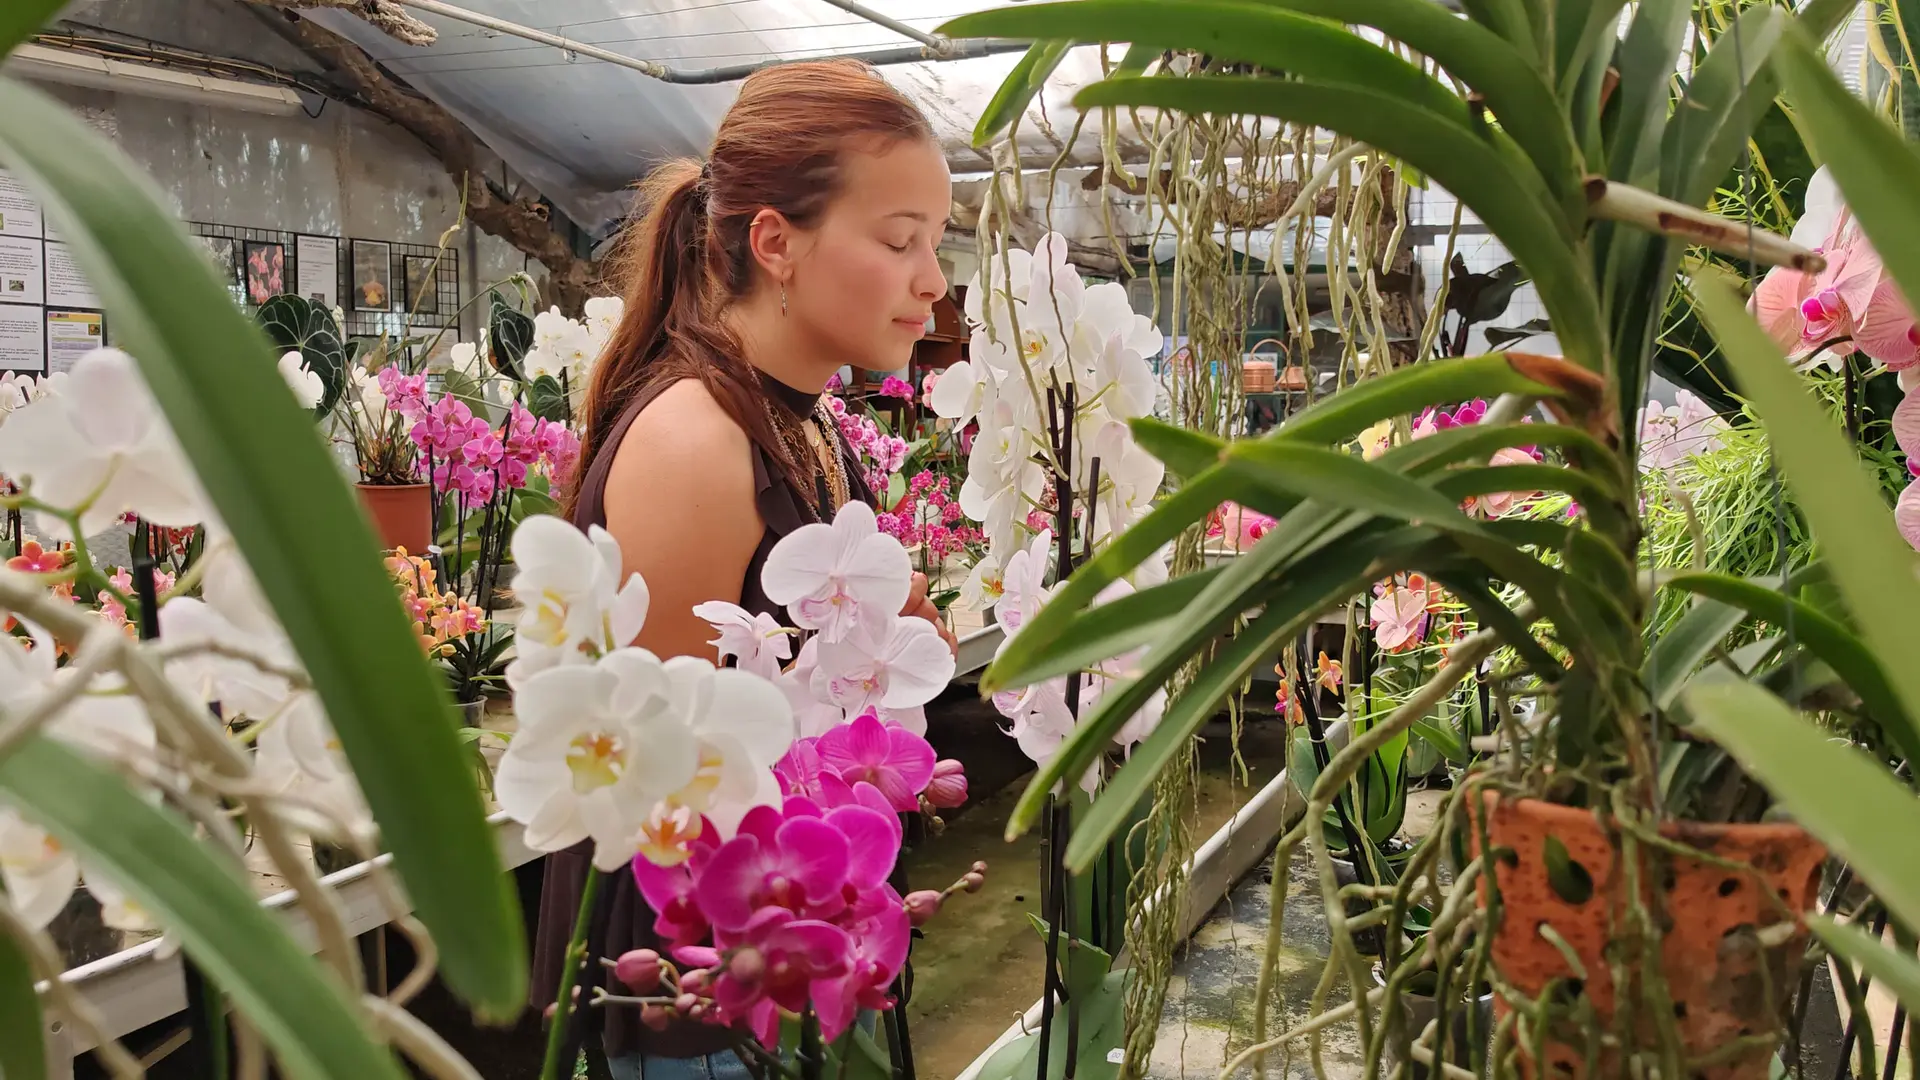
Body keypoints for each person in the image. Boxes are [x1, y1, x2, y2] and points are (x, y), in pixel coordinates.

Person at [533, 59, 956, 1080]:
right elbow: (667, 792)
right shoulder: (697, 443)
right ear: (776, 242)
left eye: (936, 246)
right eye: (901, 242)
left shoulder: (802, 422)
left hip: (793, 936)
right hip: (702, 978)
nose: (933, 282)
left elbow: (901, 641)